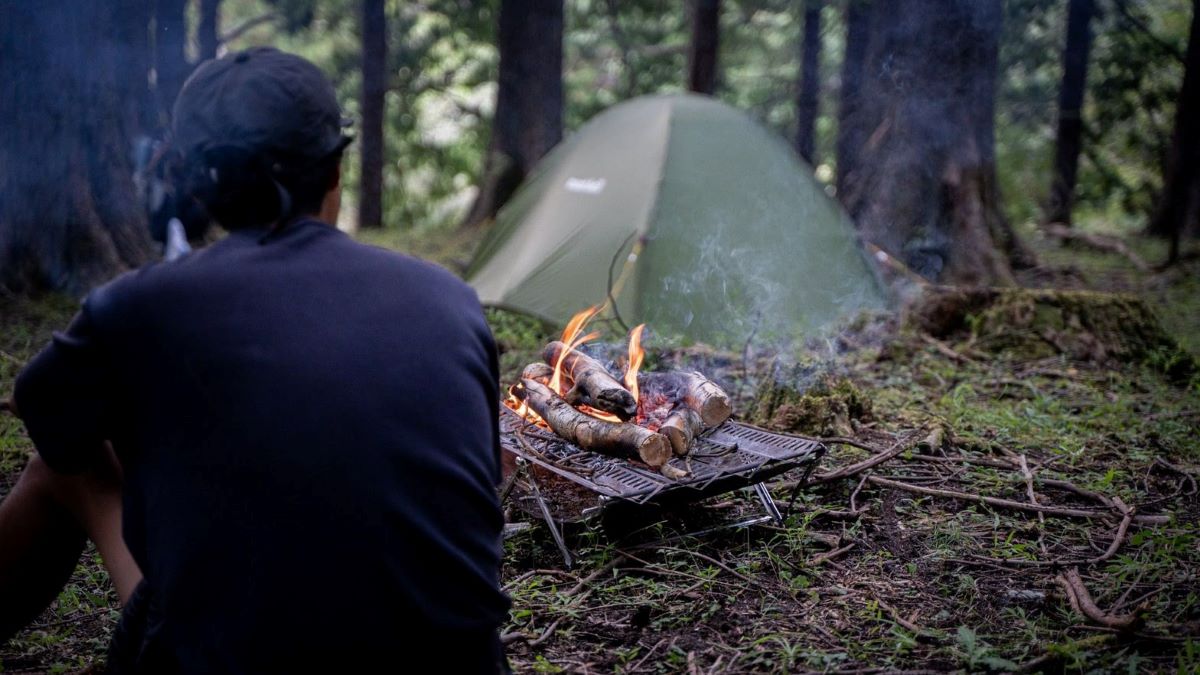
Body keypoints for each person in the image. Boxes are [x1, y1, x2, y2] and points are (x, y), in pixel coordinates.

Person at [0, 47, 510, 673]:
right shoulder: (450, 299)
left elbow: (42, 410)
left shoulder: (141, 306)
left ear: (193, 180)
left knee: (59, 471)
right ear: (334, 170)